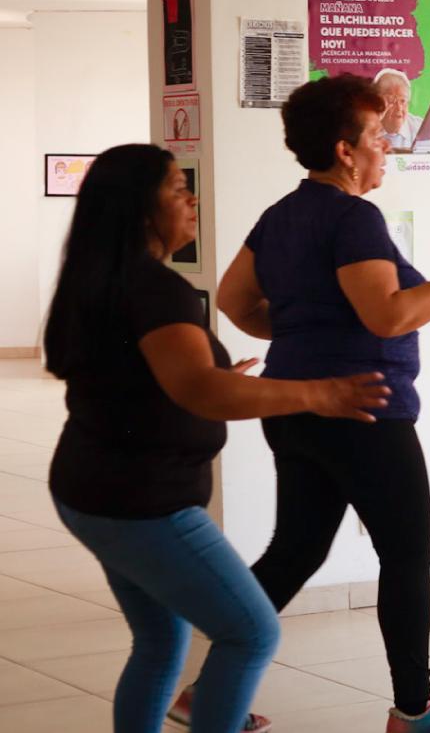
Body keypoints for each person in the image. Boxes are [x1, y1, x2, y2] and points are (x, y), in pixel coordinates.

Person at [42, 143, 389, 733]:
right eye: (178, 190)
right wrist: (318, 394)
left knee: (158, 639)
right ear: (140, 208)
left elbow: (134, 380)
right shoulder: (155, 290)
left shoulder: (100, 280)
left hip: (92, 490)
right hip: (142, 504)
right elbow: (200, 392)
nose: (191, 199)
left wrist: (211, 384)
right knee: (251, 632)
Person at [210, 75, 430, 733]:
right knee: (406, 553)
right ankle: (414, 711)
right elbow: (389, 316)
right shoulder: (352, 217)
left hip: (293, 406)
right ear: (346, 150)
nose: (388, 146)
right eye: (377, 135)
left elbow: (234, 301)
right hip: (365, 410)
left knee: (295, 550)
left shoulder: (281, 215)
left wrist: (301, 338)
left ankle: (206, 691)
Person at [372, 69, 423, 153]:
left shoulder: (420, 128)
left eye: (403, 101)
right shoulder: (366, 127)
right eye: (392, 101)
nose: (399, 108)